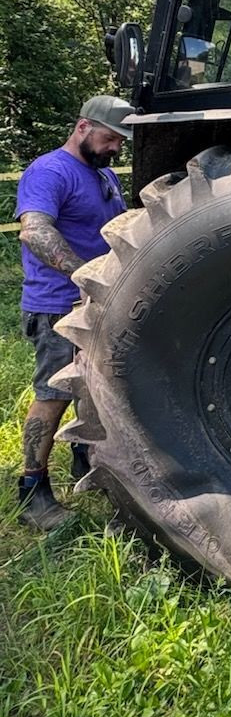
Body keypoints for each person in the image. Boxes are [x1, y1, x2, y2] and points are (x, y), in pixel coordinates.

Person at [15, 95, 131, 528]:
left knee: (94, 389)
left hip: (94, 304)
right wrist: (85, 276)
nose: (115, 148)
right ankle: (31, 493)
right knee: (54, 394)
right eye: (110, 138)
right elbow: (34, 231)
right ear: (83, 127)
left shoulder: (102, 174)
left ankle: (86, 464)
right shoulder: (50, 171)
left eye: (120, 142)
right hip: (57, 306)